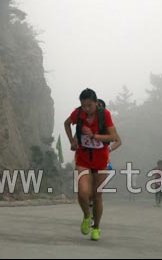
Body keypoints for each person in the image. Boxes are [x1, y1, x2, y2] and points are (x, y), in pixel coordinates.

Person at [64, 88, 120, 242]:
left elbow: (113, 137)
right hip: (83, 159)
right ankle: (87, 216)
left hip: (101, 160)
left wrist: (94, 135)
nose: (86, 109)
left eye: (89, 105)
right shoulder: (78, 113)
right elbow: (66, 124)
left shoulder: (104, 115)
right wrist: (72, 141)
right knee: (82, 192)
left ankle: (96, 228)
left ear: (96, 103)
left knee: (97, 195)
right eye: (83, 106)